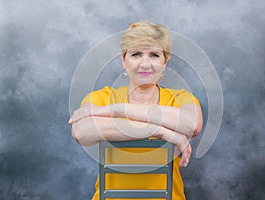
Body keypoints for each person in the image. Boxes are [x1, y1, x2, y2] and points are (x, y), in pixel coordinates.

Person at [69, 21, 203, 200]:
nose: (145, 64)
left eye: (154, 55)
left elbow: (192, 124)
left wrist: (117, 110)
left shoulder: (179, 98)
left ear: (164, 62)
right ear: (124, 61)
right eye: (136, 54)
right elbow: (81, 131)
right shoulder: (101, 97)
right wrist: (159, 130)